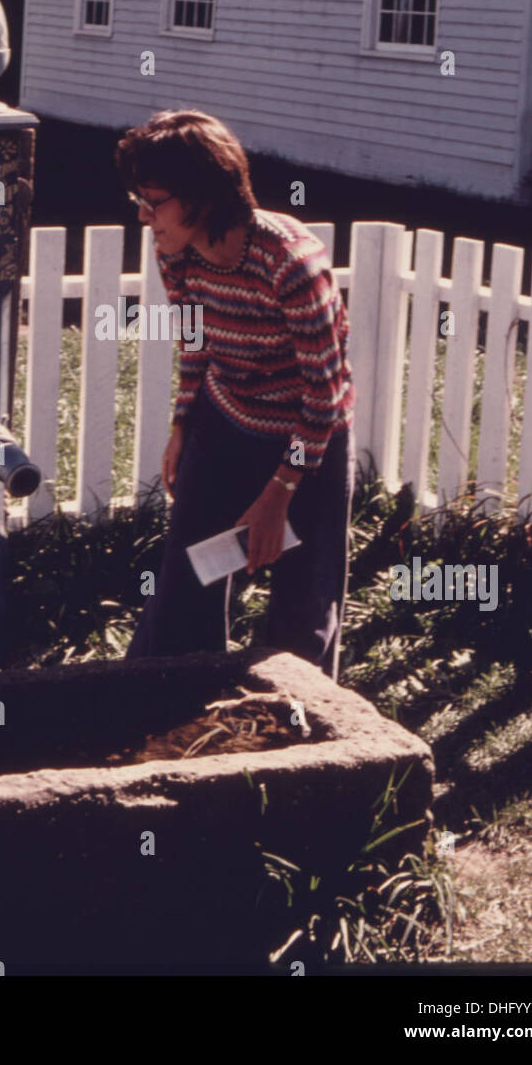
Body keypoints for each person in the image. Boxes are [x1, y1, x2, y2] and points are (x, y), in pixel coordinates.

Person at [115, 109, 356, 678]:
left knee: (304, 607)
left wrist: (278, 495)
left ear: (202, 193)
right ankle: (163, 705)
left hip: (308, 438)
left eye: (155, 199)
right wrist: (182, 426)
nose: (146, 217)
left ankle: (301, 740)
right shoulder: (176, 249)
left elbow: (324, 393)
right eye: (139, 201)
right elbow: (196, 342)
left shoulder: (292, 263)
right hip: (224, 420)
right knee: (186, 582)